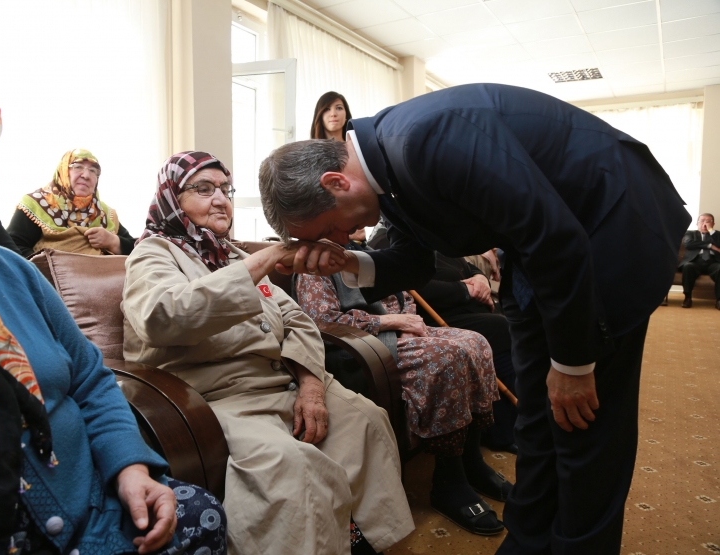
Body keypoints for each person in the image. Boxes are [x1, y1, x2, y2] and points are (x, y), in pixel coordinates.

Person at [258, 83, 691, 555]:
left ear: (335, 184)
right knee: (537, 418)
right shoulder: (383, 164)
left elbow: (558, 239)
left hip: (610, 226)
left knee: (586, 426)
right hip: (542, 251)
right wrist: (347, 262)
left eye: (327, 231)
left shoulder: (426, 139)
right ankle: (528, 542)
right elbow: (415, 262)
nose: (341, 238)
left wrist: (572, 365)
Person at [0, 74, 226, 555]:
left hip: (96, 514)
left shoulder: (10, 272)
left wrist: (130, 469)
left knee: (201, 512)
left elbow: (91, 380)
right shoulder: (35, 215)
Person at [121, 151, 414, 555]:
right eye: (203, 189)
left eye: (225, 189)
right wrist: (271, 256)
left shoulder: (234, 256)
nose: (221, 199)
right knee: (292, 466)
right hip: (216, 399)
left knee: (366, 420)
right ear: (173, 198)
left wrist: (311, 383)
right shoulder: (154, 253)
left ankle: (357, 537)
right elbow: (162, 317)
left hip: (285, 384)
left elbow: (298, 321)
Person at [295, 230, 509, 536]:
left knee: (476, 342)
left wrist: (407, 321)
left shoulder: (365, 253)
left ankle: (472, 461)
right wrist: (391, 322)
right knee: (445, 358)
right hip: (362, 347)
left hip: (399, 335)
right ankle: (450, 481)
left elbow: (404, 297)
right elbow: (318, 320)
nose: (359, 224)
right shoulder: (314, 262)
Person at [370, 227, 517, 452]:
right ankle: (503, 431)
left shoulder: (434, 233)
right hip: (438, 314)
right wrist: (465, 291)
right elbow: (412, 285)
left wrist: (479, 278)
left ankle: (510, 422)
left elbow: (468, 266)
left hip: (466, 308)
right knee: (502, 329)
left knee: (505, 322)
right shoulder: (386, 239)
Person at [7, 149, 136, 258]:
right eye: (78, 167)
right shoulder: (38, 204)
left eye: (93, 171)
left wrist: (113, 242)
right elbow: (12, 248)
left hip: (102, 285)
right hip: (49, 284)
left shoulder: (104, 213)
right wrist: (50, 266)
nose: (86, 175)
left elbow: (138, 250)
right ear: (63, 171)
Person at [679, 213, 720, 309]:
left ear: (713, 224)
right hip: (695, 261)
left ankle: (719, 300)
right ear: (697, 224)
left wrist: (710, 231)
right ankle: (688, 298)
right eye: (702, 221)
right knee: (688, 266)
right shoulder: (690, 233)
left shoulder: (717, 234)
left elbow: (718, 244)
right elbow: (688, 243)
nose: (705, 223)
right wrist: (710, 246)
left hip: (713, 262)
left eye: (708, 221)